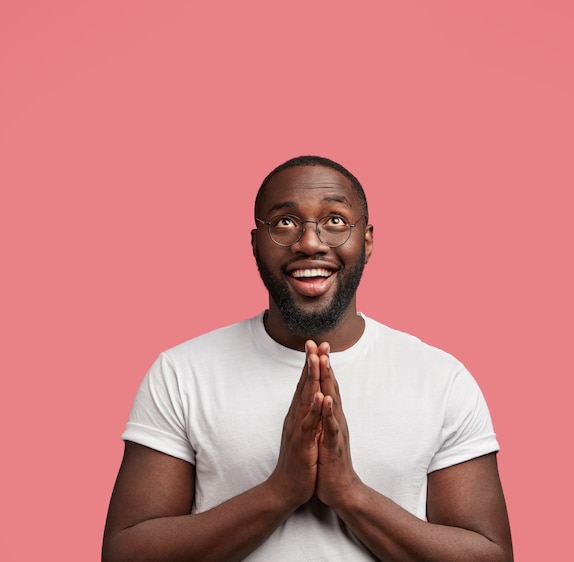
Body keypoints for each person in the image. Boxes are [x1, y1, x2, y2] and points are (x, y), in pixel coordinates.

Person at [102, 155, 513, 561]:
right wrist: (280, 491)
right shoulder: (181, 374)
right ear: (255, 244)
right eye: (285, 223)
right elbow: (125, 553)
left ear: (366, 241)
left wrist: (350, 494)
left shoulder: (441, 380)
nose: (310, 243)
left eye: (335, 220)